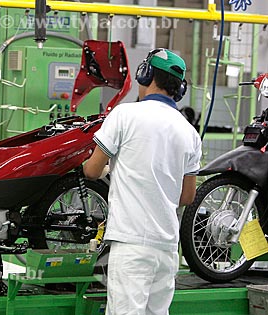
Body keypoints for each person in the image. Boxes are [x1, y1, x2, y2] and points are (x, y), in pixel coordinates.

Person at [83, 48, 202, 315]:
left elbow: (91, 171)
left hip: (132, 244)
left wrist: (105, 170)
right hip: (167, 248)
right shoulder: (189, 133)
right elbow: (187, 196)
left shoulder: (125, 115)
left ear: (144, 74)